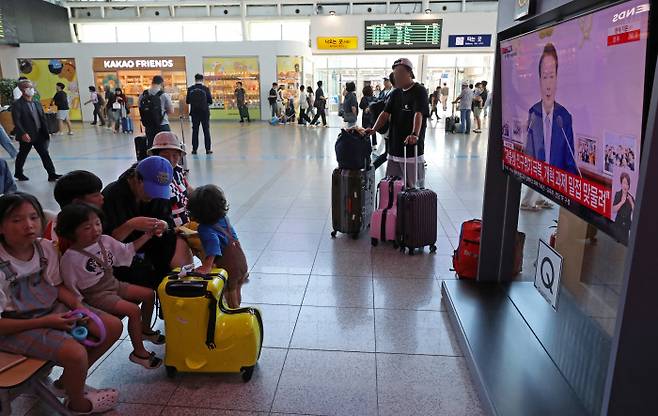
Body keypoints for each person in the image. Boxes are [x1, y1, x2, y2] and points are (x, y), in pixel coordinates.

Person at [0, 192, 122, 414]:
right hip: (14, 326)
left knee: (112, 326)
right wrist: (48, 321)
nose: (28, 225)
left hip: (50, 310)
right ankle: (78, 403)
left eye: (34, 217)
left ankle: (68, 381)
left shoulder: (44, 248)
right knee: (75, 353)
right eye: (16, 220)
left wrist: (80, 307)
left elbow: (56, 287)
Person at [57, 203, 164, 370]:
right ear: (71, 232)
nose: (96, 230)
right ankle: (138, 352)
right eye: (87, 227)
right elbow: (70, 287)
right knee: (133, 310)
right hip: (96, 295)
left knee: (149, 294)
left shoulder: (105, 241)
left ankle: (144, 330)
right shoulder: (70, 258)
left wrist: (148, 235)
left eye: (97, 223)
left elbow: (127, 250)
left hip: (113, 284)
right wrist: (80, 310)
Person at [101, 156, 192, 290]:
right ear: (137, 179)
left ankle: (179, 294)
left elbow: (168, 221)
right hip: (124, 255)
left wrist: (164, 225)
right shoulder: (112, 195)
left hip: (152, 246)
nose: (153, 196)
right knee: (144, 276)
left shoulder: (159, 194)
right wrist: (130, 225)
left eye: (158, 191)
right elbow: (107, 243)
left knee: (179, 243)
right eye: (150, 190)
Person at [366, 58, 429, 188]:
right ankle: (393, 208)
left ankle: (413, 208)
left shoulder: (419, 91)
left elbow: (419, 114)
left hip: (411, 150)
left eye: (400, 73)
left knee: (412, 188)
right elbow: (385, 113)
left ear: (410, 74)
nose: (396, 77)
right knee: (392, 186)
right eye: (395, 74)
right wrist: (373, 129)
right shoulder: (395, 93)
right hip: (394, 150)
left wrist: (414, 134)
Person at [187, 184, 247, 309]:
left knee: (229, 294)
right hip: (240, 260)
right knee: (236, 289)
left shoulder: (204, 228)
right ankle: (237, 310)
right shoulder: (223, 218)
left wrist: (207, 266)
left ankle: (234, 318)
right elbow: (221, 235)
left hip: (228, 265)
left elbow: (214, 243)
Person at [525, 43, 579, 176]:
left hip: (557, 189)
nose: (548, 85)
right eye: (544, 77)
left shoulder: (564, 117)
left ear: (557, 79)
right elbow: (529, 154)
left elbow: (570, 164)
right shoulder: (533, 113)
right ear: (539, 80)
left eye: (552, 77)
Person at [11, 79, 61, 182]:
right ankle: (18, 173)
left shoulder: (36, 103)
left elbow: (42, 118)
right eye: (30, 88)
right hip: (27, 135)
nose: (33, 90)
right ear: (23, 90)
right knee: (22, 154)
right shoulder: (17, 104)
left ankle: (51, 174)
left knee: (44, 154)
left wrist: (47, 131)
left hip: (39, 134)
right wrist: (23, 133)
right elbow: (17, 121)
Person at [46, 170, 105, 253]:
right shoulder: (58, 241)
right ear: (77, 203)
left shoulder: (84, 221)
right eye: (96, 195)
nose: (102, 197)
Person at [147, 132, 191, 227]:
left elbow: (189, 190)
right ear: (156, 156)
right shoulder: (153, 179)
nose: (170, 160)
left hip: (188, 223)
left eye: (175, 155)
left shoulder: (178, 171)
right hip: (172, 229)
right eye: (165, 156)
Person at [139, 76, 173, 149]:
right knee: (166, 146)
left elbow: (140, 109)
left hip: (149, 125)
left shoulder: (143, 95)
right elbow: (171, 111)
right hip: (162, 124)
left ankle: (152, 159)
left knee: (151, 146)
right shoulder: (164, 95)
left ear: (152, 82)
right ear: (161, 83)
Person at [186, 74, 213, 155]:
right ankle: (208, 150)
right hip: (204, 113)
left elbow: (187, 101)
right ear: (202, 80)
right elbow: (210, 101)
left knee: (195, 131)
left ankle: (194, 149)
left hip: (194, 113)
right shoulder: (205, 89)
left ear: (195, 79)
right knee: (206, 131)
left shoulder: (190, 89)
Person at [612, 172, 634, 236]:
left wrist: (631, 202)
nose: (625, 186)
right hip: (618, 224)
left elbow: (635, 213)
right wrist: (621, 202)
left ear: (629, 186)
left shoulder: (631, 197)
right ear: (621, 184)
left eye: (627, 184)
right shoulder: (618, 194)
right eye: (624, 183)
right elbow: (613, 210)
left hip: (626, 227)